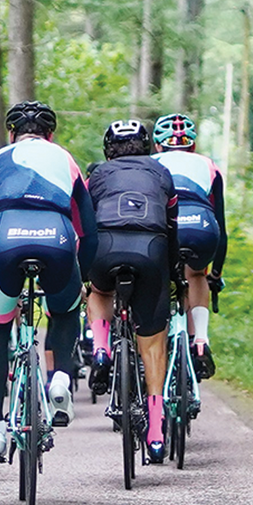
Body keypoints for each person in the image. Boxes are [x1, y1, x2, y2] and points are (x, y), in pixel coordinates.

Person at [0, 100, 96, 462]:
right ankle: (59, 379)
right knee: (64, 310)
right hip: (55, 239)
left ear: (12, 134)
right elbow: (87, 230)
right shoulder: (66, 160)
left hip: (5, 241)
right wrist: (83, 277)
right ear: (50, 134)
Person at [85, 119, 179, 464]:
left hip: (106, 244)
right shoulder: (161, 172)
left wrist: (83, 269)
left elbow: (82, 220)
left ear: (108, 150)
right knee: (153, 343)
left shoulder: (96, 175)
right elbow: (172, 227)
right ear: (149, 146)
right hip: (151, 246)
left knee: (98, 291)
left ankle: (100, 348)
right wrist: (171, 275)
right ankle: (155, 433)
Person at [152, 112, 227, 380]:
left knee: (156, 277)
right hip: (201, 225)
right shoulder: (209, 165)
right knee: (197, 274)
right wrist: (215, 273)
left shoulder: (150, 163)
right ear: (192, 145)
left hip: (163, 225)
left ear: (158, 145)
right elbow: (221, 223)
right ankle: (200, 341)